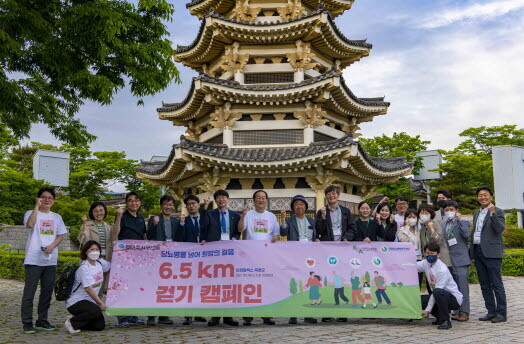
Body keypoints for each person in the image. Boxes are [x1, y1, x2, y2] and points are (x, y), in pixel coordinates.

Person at [21, 187, 67, 334]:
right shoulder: (30, 213)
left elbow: (60, 235)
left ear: (53, 201)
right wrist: (36, 207)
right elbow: (29, 225)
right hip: (33, 260)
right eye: (43, 197)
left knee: (47, 292)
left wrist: (52, 246)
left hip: (50, 260)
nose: (47, 200)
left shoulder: (57, 217)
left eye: (50, 198)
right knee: (29, 292)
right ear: (39, 199)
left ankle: (42, 320)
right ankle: (27, 322)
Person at [314, 185, 356, 322]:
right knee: (327, 279)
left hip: (342, 250)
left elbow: (352, 228)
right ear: (326, 196)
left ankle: (342, 311)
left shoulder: (345, 211)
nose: (332, 196)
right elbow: (318, 230)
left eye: (334, 194)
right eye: (329, 194)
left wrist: (346, 238)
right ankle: (327, 312)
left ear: (338, 196)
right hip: (327, 250)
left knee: (341, 279)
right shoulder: (321, 211)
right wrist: (324, 217)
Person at [238, 190, 279, 326]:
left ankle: (266, 315)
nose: (261, 200)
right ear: (253, 201)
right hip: (249, 256)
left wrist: (275, 238)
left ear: (266, 200)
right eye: (258, 198)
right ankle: (247, 316)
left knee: (266, 285)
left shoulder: (272, 216)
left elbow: (276, 234)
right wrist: (243, 215)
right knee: (249, 285)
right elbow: (240, 229)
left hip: (266, 256)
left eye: (263, 198)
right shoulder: (248, 214)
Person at [200, 190, 240, 327]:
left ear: (227, 199)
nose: (221, 199)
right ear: (215, 200)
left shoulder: (234, 215)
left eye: (223, 197)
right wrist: (205, 207)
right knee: (215, 284)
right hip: (214, 252)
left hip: (230, 253)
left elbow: (237, 231)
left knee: (229, 284)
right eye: (218, 197)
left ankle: (229, 316)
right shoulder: (210, 214)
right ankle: (215, 316)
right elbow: (203, 226)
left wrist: (236, 237)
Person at [470, 186, 507, 323]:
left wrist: (492, 214)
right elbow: (476, 233)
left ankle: (502, 313)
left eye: (485, 195)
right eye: (480, 195)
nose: (483, 197)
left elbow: (499, 229)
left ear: (491, 197)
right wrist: (472, 252)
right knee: (484, 284)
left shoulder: (498, 211)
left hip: (492, 253)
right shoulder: (476, 213)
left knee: (496, 284)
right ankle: (491, 311)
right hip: (478, 251)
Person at [145, 195, 183, 326]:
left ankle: (163, 315)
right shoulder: (154, 219)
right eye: (166, 204)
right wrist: (154, 225)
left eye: (171, 204)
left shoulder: (175, 221)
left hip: (171, 258)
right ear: (161, 206)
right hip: (157, 258)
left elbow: (179, 239)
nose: (168, 207)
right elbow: (149, 237)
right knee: (154, 286)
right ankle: (151, 316)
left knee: (166, 287)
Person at [280, 195, 317, 324]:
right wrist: (283, 218)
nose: (299, 206)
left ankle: (308, 314)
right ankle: (293, 314)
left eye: (301, 204)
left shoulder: (312, 221)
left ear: (306, 207)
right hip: (294, 256)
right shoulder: (290, 221)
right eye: (296, 204)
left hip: (309, 258)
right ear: (293, 208)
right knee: (294, 284)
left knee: (308, 284)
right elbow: (283, 233)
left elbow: (315, 237)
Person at [112, 191, 146, 326]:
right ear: (126, 203)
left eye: (136, 200)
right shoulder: (122, 216)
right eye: (130, 200)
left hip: (139, 258)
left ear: (140, 203)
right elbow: (115, 235)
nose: (134, 203)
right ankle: (122, 317)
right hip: (124, 258)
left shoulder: (141, 218)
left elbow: (143, 237)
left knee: (135, 286)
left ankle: (133, 316)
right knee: (123, 286)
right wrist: (119, 217)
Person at [64, 240, 111, 333]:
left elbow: (110, 266)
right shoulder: (84, 267)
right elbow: (88, 289)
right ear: (86, 252)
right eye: (92, 249)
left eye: (97, 249)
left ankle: (80, 319)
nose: (95, 251)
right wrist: (101, 303)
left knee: (99, 326)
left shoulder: (99, 264)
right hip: (76, 302)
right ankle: (72, 323)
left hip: (90, 302)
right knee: (96, 310)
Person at [419, 241, 463, 330]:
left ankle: (446, 321)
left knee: (437, 292)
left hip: (453, 299)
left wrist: (428, 310)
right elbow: (412, 266)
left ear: (438, 255)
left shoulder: (442, 269)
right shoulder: (425, 263)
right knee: (420, 300)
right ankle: (439, 317)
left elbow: (437, 291)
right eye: (427, 253)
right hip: (438, 295)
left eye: (432, 253)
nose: (429, 255)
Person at [441, 200, 471, 321]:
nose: (449, 212)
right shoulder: (443, 224)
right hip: (448, 259)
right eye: (447, 210)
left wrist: (460, 220)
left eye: (451, 209)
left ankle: (464, 311)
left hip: (461, 259)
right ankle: (457, 309)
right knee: (453, 287)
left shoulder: (463, 222)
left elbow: (467, 234)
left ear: (457, 210)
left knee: (463, 287)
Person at [181, 194, 207, 326]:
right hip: (189, 258)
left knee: (201, 286)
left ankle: (198, 313)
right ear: (186, 207)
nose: (191, 206)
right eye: (189, 204)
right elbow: (180, 238)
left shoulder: (206, 219)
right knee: (189, 286)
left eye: (193, 203)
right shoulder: (183, 221)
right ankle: (188, 315)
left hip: (205, 257)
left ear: (198, 204)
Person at [397, 209, 424, 287]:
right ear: (406, 219)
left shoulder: (419, 230)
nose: (411, 219)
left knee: (418, 281)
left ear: (417, 219)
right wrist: (406, 226)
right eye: (409, 217)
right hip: (407, 260)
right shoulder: (401, 230)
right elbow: (404, 240)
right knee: (409, 282)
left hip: (419, 259)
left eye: (414, 217)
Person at [418, 203, 451, 268]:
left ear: (431, 214)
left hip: (441, 260)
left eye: (426, 213)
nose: (424, 215)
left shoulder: (436, 224)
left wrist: (432, 229)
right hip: (429, 260)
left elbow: (438, 241)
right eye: (422, 213)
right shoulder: (422, 229)